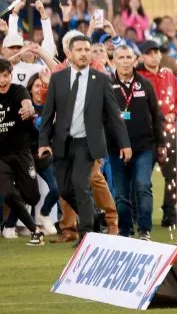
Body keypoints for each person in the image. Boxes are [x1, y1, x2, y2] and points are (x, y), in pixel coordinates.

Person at [37, 34, 131, 244]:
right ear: (69, 54)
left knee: (81, 183)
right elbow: (48, 113)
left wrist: (124, 143)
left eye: (87, 50)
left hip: (87, 143)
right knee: (64, 189)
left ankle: (87, 234)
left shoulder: (101, 80)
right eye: (79, 50)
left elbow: (115, 115)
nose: (84, 53)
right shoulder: (58, 79)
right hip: (62, 142)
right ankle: (94, 217)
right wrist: (44, 142)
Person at [108, 44, 160, 239]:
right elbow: (101, 117)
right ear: (114, 61)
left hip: (143, 147)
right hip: (116, 149)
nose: (125, 61)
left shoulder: (145, 84)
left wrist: (160, 143)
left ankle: (145, 230)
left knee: (142, 186)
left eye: (128, 57)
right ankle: (126, 231)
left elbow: (156, 115)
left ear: (134, 60)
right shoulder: (107, 84)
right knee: (121, 193)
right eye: (120, 58)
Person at [0, 57, 44, 245]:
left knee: (32, 196)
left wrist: (29, 109)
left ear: (10, 75)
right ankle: (35, 231)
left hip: (21, 152)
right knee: (8, 194)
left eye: (5, 76)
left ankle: (17, 189)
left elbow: (27, 103)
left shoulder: (18, 90)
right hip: (1, 155)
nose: (2, 80)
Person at [136, 39, 177, 228]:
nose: (154, 56)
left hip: (168, 131)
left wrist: (173, 112)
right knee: (142, 177)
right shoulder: (138, 77)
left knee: (173, 174)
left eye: (156, 52)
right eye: (149, 53)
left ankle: (169, 213)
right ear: (142, 56)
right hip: (145, 132)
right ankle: (141, 214)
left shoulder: (169, 76)